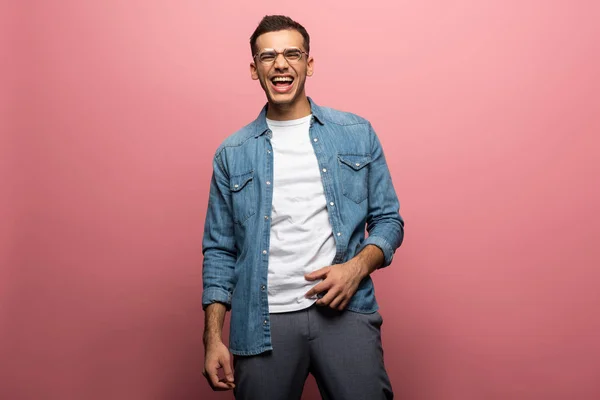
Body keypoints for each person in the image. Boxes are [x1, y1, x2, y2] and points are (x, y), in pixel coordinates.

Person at [201, 15, 404, 400]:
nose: (281, 63)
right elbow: (219, 250)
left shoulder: (356, 133)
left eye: (292, 53)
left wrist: (355, 268)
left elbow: (389, 220)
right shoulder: (232, 153)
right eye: (268, 56)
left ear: (308, 64)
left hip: (345, 312)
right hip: (262, 321)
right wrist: (212, 338)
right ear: (254, 69)